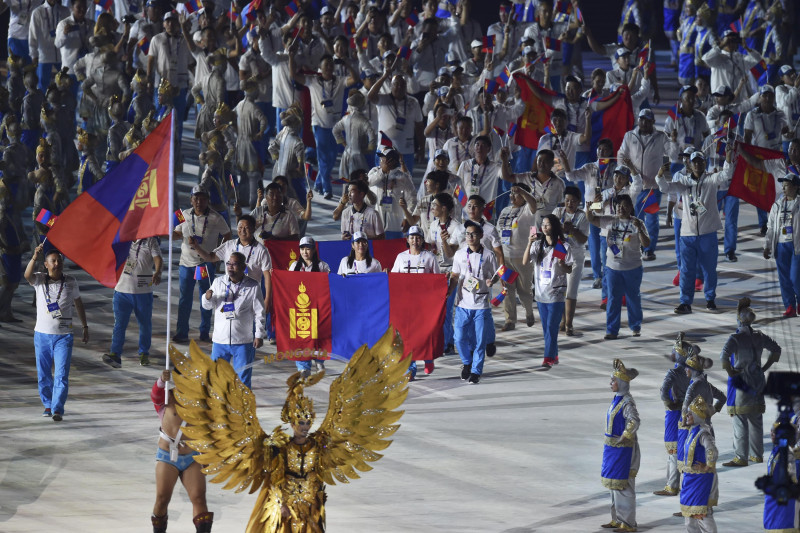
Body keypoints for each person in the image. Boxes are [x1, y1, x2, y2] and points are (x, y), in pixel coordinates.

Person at [656, 151, 732, 314]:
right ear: (689, 164)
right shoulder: (683, 181)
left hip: (708, 233)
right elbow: (665, 188)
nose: (697, 164)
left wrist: (728, 159)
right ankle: (685, 302)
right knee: (686, 270)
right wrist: (660, 174)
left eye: (700, 161)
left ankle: (710, 299)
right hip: (687, 234)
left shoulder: (711, 179)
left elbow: (726, 174)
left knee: (709, 269)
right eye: (694, 162)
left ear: (705, 163)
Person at [24, 245, 88, 421]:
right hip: (42, 336)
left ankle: (57, 408)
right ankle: (47, 404)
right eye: (53, 261)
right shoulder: (39, 280)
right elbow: (27, 275)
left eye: (59, 260)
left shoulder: (71, 281)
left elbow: (79, 303)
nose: (57, 263)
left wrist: (85, 326)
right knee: (43, 373)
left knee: (61, 374)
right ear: (46, 264)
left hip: (64, 336)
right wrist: (34, 257)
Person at [720, 297, 782, 467]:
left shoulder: (735, 338)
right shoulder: (760, 336)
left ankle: (741, 456)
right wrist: (765, 367)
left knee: (740, 419)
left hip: (742, 379)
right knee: (756, 418)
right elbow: (776, 350)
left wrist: (731, 372)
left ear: (739, 320)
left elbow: (724, 358)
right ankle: (757, 454)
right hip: (758, 379)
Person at [150, 369, 212, 533]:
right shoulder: (166, 397)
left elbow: (206, 428)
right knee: (162, 499)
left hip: (192, 457)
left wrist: (206, 453)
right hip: (167, 457)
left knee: (199, 497)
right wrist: (161, 381)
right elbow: (155, 395)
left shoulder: (201, 401)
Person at [172, 185, 232, 343]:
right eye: (196, 198)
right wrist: (167, 233)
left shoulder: (215, 217)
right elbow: (177, 233)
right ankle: (182, 332)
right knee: (185, 299)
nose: (199, 201)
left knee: (206, 297)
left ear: (208, 200)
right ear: (191, 200)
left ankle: (204, 331)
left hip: (204, 265)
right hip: (186, 264)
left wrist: (219, 253)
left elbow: (227, 234)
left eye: (202, 198)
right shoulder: (183, 215)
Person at [587, 194, 650, 340]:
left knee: (633, 298)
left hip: (632, 267)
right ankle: (612, 330)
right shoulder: (610, 220)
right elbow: (592, 219)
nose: (621, 208)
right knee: (613, 299)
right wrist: (590, 208)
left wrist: (639, 229)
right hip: (613, 267)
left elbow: (646, 243)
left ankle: (635, 326)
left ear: (631, 208)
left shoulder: (637, 222)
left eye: (624, 206)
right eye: (618, 206)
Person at [201, 252, 265, 390]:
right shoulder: (218, 282)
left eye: (234, 264)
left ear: (243, 266)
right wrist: (207, 297)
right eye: (228, 264)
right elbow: (207, 306)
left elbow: (259, 312)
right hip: (220, 340)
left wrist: (259, 335)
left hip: (242, 341)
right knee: (216, 377)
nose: (230, 267)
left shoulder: (253, 286)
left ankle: (242, 408)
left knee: (243, 379)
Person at [448, 220, 498, 384]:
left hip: (481, 303)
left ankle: (476, 370)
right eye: (468, 234)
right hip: (463, 303)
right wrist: (449, 290)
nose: (470, 237)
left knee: (479, 341)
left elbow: (494, 274)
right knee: (459, 338)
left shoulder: (489, 255)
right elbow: (455, 275)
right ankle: (467, 363)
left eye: (473, 234)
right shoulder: (460, 254)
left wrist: (492, 281)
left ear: (481, 236)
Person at [618, 108, 670, 261]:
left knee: (652, 219)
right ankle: (636, 245)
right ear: (638, 120)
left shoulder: (661, 137)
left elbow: (671, 155)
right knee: (635, 217)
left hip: (653, 187)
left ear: (653, 122)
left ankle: (649, 249)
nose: (644, 123)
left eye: (648, 120)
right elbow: (621, 154)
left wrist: (673, 141)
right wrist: (624, 174)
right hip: (635, 186)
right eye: (642, 119)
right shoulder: (630, 136)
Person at [103, 238, 162, 368]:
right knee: (119, 324)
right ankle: (115, 355)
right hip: (121, 291)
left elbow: (158, 258)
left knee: (145, 324)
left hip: (143, 292)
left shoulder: (151, 241)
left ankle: (144, 353)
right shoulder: (123, 237)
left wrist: (158, 272)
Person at [523, 214, 574, 369]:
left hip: (556, 292)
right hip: (540, 292)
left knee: (552, 326)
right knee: (547, 328)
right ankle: (554, 353)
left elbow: (569, 269)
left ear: (555, 226)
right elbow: (525, 262)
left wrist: (561, 263)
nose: (544, 227)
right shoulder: (538, 245)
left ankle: (548, 358)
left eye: (548, 224)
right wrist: (528, 243)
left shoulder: (563, 245)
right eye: (543, 224)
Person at [192, 215, 272, 311]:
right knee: (229, 323)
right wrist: (196, 247)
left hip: (251, 295)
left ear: (253, 229)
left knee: (252, 324)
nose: (243, 230)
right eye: (240, 227)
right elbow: (210, 257)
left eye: (246, 228)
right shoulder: (229, 245)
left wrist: (267, 299)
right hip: (230, 294)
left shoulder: (261, 250)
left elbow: (267, 275)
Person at [391, 225, 440, 379]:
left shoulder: (430, 257)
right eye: (412, 237)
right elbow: (394, 278)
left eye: (418, 237)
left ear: (422, 240)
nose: (415, 240)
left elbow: (437, 280)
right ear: (407, 239)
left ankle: (428, 358)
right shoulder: (401, 257)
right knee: (407, 336)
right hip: (406, 304)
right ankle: (409, 369)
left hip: (424, 304)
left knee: (425, 333)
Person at [601, 359, 640, 533]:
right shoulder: (617, 399)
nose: (611, 383)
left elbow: (634, 420)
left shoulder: (626, 402)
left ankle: (628, 523)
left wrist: (626, 435)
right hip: (613, 450)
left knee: (624, 487)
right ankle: (617, 519)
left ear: (622, 383)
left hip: (623, 451)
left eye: (613, 380)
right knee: (614, 487)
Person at [655, 333, 692, 498]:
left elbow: (664, 392)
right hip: (688, 413)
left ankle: (672, 485)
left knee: (673, 452)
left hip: (673, 414)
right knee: (684, 449)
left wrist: (670, 403)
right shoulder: (692, 372)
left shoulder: (674, 372)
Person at [497, 183, 538, 331]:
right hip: (506, 256)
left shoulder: (528, 210)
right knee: (507, 288)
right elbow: (498, 232)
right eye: (512, 193)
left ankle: (529, 313)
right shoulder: (505, 210)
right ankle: (510, 320)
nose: (512, 196)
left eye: (517, 194)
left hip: (522, 256)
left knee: (524, 290)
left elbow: (534, 203)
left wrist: (524, 191)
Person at [289, 237, 330, 376]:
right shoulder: (294, 266)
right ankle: (303, 365)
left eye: (308, 248)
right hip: (299, 308)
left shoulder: (323, 266)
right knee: (301, 335)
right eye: (302, 249)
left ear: (313, 250)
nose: (305, 252)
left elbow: (327, 285)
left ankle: (319, 360)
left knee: (318, 334)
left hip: (317, 307)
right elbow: (287, 285)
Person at [553, 187, 589, 335]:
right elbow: (550, 232)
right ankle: (562, 320)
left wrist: (572, 230)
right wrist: (561, 228)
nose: (570, 203)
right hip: (559, 254)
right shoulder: (558, 212)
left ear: (579, 202)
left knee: (571, 290)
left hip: (575, 256)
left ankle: (569, 323)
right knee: (560, 289)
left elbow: (583, 239)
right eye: (567, 200)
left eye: (573, 201)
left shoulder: (583, 216)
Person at [680, 395, 718, 533]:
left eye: (691, 413)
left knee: (702, 514)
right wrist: (685, 422)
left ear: (698, 415)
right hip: (691, 480)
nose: (687, 415)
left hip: (700, 480)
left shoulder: (703, 433)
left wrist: (707, 466)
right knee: (690, 515)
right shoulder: (693, 430)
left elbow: (712, 450)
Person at [764, 173, 800, 317]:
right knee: (784, 278)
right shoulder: (777, 205)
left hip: (796, 246)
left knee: (795, 277)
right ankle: (790, 306)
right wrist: (767, 245)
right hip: (781, 245)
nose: (784, 188)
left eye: (787, 185)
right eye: (783, 185)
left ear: (796, 187)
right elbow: (771, 227)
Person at [368, 146, 416, 239]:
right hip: (376, 226)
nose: (380, 160)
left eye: (383, 158)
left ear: (391, 161)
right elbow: (368, 182)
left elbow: (413, 198)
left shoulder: (402, 177)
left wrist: (408, 217)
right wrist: (382, 171)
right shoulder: (375, 171)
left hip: (396, 226)